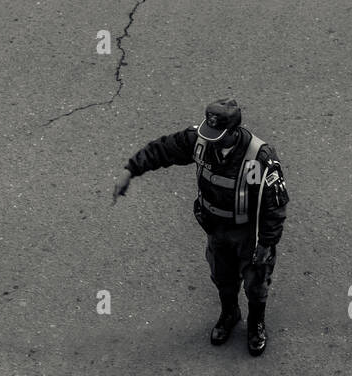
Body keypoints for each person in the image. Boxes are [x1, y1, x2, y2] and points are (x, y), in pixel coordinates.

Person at [113, 97, 290, 356]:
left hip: (248, 234)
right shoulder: (199, 141)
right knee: (222, 277)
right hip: (216, 230)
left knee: (256, 282)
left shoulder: (257, 158)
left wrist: (266, 243)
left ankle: (256, 323)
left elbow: (274, 206)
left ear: (233, 132)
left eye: (217, 136)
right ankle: (229, 315)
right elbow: (163, 150)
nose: (209, 140)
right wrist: (130, 170)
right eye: (209, 134)